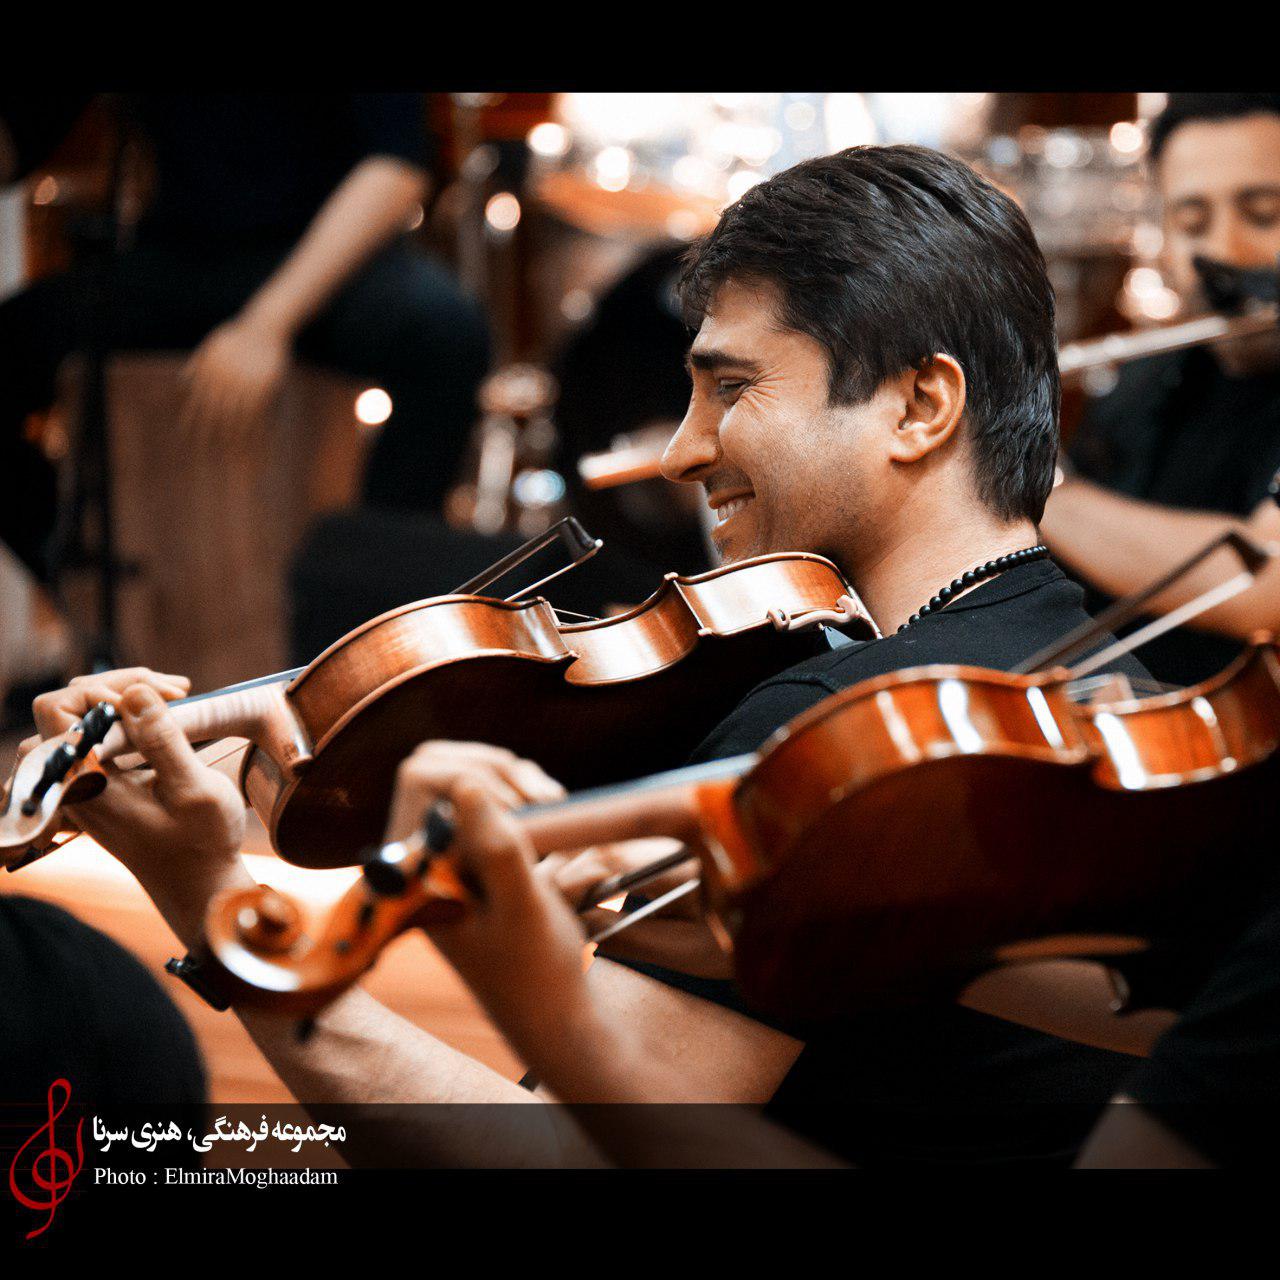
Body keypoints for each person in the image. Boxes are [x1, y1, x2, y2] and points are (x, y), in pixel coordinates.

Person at [20, 145, 1160, 1168]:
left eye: (730, 387)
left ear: (919, 405)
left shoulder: (833, 732)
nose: (679, 451)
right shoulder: (1117, 690)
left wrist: (214, 899)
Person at [0, 93, 490, 584]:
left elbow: (397, 168)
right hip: (177, 254)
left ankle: (376, 594)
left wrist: (266, 325)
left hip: (326, 250)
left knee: (446, 333)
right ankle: (76, 583)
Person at [1042, 93, 1280, 687]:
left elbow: (1266, 586)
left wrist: (1030, 485)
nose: (1223, 253)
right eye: (1192, 223)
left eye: (1263, 214)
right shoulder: (1147, 378)